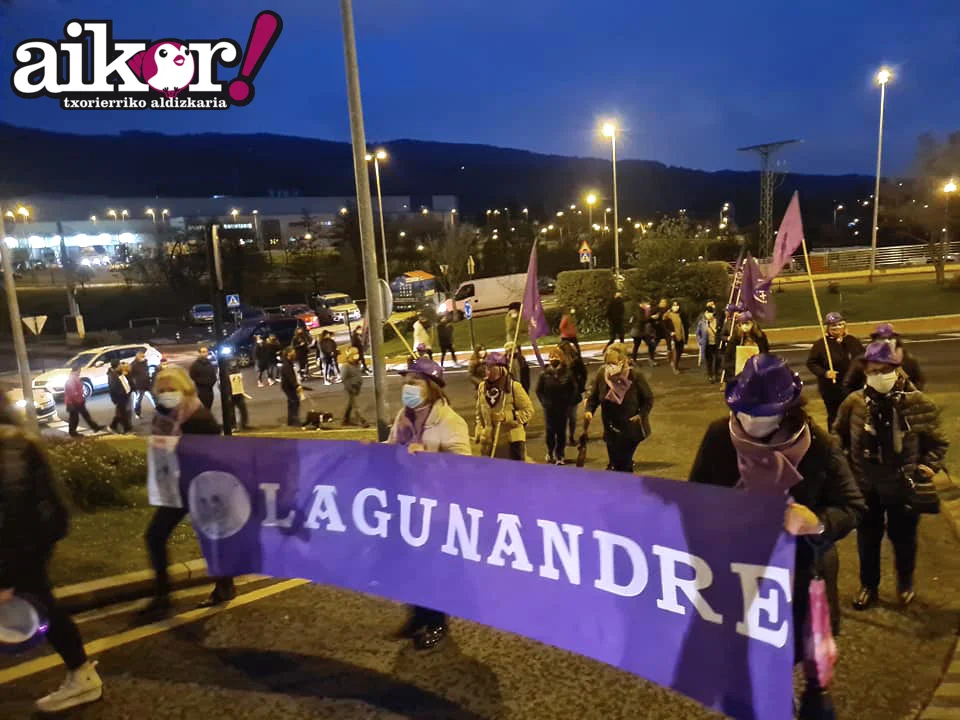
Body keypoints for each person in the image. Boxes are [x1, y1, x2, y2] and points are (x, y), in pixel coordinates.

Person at [688, 353, 865, 717]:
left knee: (805, 659)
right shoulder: (719, 437)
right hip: (740, 577)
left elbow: (853, 506)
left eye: (763, 412)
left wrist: (817, 522)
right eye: (744, 410)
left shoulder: (819, 446)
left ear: (786, 410)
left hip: (802, 577)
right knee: (756, 666)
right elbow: (694, 498)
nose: (751, 420)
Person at [0, 392, 104, 713]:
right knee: (44, 603)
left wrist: (6, 577)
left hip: (26, 544)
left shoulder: (9, 447)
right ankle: (82, 673)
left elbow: (14, 514)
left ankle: (82, 674)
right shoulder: (14, 442)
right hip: (30, 541)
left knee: (44, 605)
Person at [834, 341, 948, 611]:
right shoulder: (854, 403)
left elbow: (938, 442)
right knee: (867, 540)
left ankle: (905, 584)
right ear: (865, 371)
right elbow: (838, 436)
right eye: (873, 370)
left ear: (896, 369)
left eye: (884, 369)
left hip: (903, 485)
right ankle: (869, 587)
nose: (879, 375)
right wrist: (844, 468)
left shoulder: (917, 402)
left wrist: (927, 467)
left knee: (904, 539)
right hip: (866, 486)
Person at [138, 366, 235, 621]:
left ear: (185, 389)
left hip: (201, 486)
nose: (166, 394)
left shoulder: (198, 417)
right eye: (162, 390)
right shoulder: (164, 416)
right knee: (155, 536)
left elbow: (213, 455)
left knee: (211, 538)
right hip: (176, 487)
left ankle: (224, 584)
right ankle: (163, 596)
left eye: (172, 389)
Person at [388, 357, 471, 650]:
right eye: (405, 381)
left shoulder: (450, 421)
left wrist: (428, 457)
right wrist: (374, 451)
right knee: (409, 565)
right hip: (408, 504)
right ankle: (417, 616)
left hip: (437, 509)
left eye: (414, 382)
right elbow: (392, 449)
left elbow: (464, 466)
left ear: (432, 387)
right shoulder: (403, 416)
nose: (407, 387)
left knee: (434, 567)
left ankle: (437, 622)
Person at [584, 344, 654, 472]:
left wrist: (641, 414)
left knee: (624, 464)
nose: (610, 367)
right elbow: (594, 397)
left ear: (623, 361)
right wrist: (589, 410)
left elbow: (648, 399)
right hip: (610, 427)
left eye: (613, 363)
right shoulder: (602, 374)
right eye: (607, 363)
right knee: (615, 462)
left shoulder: (635, 375)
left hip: (630, 427)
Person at [806, 312, 864, 430]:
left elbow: (863, 358)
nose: (837, 328)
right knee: (835, 416)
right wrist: (825, 373)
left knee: (855, 415)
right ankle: (835, 437)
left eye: (839, 325)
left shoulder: (853, 341)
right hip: (832, 389)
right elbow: (812, 363)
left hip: (854, 387)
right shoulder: (821, 345)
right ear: (827, 328)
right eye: (833, 326)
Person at [474, 352, 534, 461]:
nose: (486, 369)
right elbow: (479, 413)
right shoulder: (482, 387)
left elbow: (528, 411)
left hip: (511, 443)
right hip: (490, 443)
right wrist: (480, 430)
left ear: (500, 368)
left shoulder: (513, 387)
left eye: (490, 366)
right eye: (485, 366)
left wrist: (506, 416)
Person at [845, 323, 926, 392]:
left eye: (889, 339)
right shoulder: (863, 361)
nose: (885, 342)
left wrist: (909, 396)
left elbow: (918, 381)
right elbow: (849, 384)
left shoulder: (907, 360)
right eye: (882, 339)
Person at [536, 346, 578, 464]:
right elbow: (539, 391)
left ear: (561, 358)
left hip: (562, 408)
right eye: (551, 357)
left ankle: (560, 455)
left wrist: (568, 402)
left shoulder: (567, 373)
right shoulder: (544, 374)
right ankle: (550, 452)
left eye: (556, 356)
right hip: (549, 408)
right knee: (550, 432)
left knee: (561, 432)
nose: (553, 359)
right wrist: (544, 402)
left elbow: (573, 389)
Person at [722, 311, 770, 380]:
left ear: (752, 323)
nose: (745, 326)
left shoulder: (760, 337)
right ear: (739, 325)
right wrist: (735, 369)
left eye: (747, 323)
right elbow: (728, 357)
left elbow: (766, 353)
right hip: (739, 374)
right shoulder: (735, 338)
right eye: (742, 323)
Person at [560, 340, 588, 445]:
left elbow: (583, 373)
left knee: (568, 416)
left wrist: (580, 385)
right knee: (570, 416)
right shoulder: (565, 362)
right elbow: (584, 374)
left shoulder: (575, 362)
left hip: (568, 393)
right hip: (567, 393)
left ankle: (567, 436)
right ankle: (569, 436)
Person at [63, 366, 103, 436]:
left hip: (77, 401)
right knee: (74, 418)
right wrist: (79, 399)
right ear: (75, 371)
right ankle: (72, 432)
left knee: (85, 415)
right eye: (79, 371)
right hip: (73, 402)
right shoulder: (71, 379)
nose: (79, 373)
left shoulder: (74, 378)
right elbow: (72, 393)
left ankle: (95, 427)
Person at [696, 302, 721, 384]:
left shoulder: (716, 321)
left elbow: (720, 331)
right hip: (707, 345)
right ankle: (710, 375)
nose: (710, 315)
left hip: (716, 344)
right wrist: (700, 341)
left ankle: (716, 374)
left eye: (711, 313)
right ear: (705, 313)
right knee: (709, 361)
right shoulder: (701, 322)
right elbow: (698, 333)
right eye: (708, 313)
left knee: (717, 360)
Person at [341, 347, 366, 426]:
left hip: (356, 387)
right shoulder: (346, 366)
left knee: (350, 404)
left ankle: (345, 419)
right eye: (354, 354)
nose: (356, 356)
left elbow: (358, 374)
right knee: (356, 405)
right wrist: (350, 388)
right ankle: (361, 420)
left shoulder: (357, 364)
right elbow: (344, 379)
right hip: (350, 388)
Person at [663, 299, 688, 375]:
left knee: (680, 351)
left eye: (677, 305)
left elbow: (685, 325)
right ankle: (675, 367)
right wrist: (670, 332)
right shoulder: (667, 315)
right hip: (673, 336)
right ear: (671, 306)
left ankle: (674, 363)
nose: (676, 307)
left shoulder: (681, 314)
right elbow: (664, 325)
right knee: (676, 352)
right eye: (674, 305)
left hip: (681, 335)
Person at [107, 359, 132, 434]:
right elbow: (114, 388)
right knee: (123, 413)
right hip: (120, 397)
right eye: (120, 364)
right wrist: (121, 395)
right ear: (117, 366)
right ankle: (126, 429)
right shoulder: (113, 376)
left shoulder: (118, 372)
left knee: (120, 413)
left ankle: (113, 426)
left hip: (124, 395)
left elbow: (125, 381)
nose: (121, 365)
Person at [280, 347, 303, 427]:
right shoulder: (286, 365)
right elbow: (290, 376)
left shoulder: (288, 362)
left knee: (291, 402)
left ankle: (290, 421)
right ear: (289, 353)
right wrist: (296, 385)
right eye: (293, 352)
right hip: (288, 386)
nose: (295, 354)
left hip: (288, 386)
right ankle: (295, 420)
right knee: (295, 402)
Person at [129, 349, 153, 419]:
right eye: (142, 356)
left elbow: (146, 371)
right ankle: (137, 413)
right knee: (138, 400)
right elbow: (130, 376)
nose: (144, 357)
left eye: (144, 356)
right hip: (139, 385)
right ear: (138, 357)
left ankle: (158, 410)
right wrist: (133, 385)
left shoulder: (145, 362)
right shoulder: (133, 365)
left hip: (147, 383)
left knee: (153, 397)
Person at [629, 299, 654, 365]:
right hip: (638, 331)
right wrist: (651, 317)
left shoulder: (642, 310)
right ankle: (634, 360)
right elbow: (642, 319)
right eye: (647, 304)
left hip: (641, 330)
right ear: (642, 304)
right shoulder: (639, 310)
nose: (648, 305)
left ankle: (649, 359)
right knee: (647, 344)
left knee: (648, 344)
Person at [228, 362, 250, 431]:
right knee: (231, 411)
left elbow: (239, 382)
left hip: (238, 393)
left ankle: (243, 425)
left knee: (243, 410)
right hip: (230, 394)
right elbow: (221, 385)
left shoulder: (236, 371)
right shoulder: (223, 372)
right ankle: (233, 426)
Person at [648, 298, 670, 366]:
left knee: (669, 341)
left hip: (665, 330)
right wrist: (652, 317)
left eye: (665, 302)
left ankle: (669, 356)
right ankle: (651, 358)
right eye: (662, 302)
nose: (663, 303)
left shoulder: (668, 310)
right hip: (657, 330)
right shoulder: (655, 309)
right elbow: (648, 318)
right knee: (653, 344)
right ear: (659, 303)